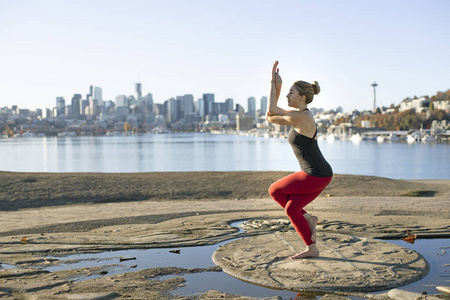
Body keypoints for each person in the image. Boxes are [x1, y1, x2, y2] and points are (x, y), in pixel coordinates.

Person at [266, 61, 333, 259]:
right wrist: (277, 88)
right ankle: (311, 246)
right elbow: (273, 111)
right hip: (318, 174)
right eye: (286, 92)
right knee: (292, 208)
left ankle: (307, 219)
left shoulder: (300, 118)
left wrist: (274, 85)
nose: (287, 95)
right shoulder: (301, 114)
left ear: (301, 97)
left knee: (274, 190)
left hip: (316, 175)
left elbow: (269, 115)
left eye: (290, 92)